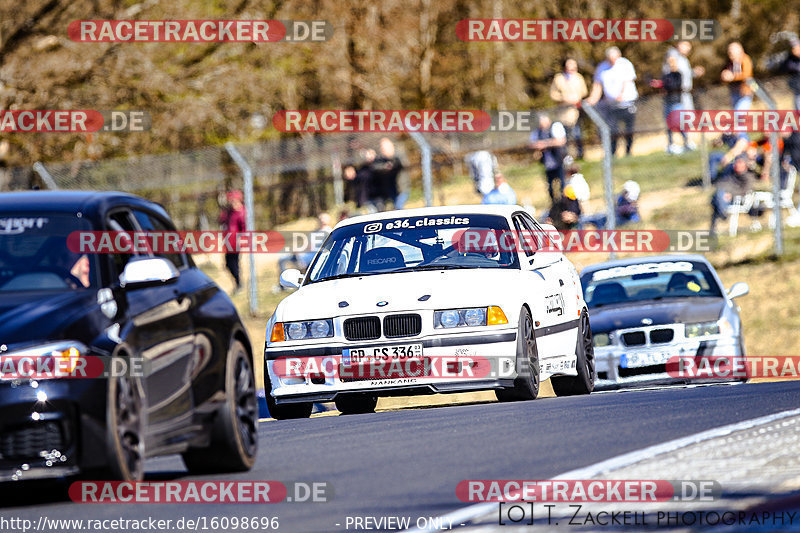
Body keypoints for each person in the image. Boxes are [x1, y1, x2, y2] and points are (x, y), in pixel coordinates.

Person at [586, 46, 638, 157]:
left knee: (629, 129)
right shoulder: (602, 67)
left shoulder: (625, 64)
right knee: (613, 130)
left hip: (627, 103)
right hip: (612, 106)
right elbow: (597, 85)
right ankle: (612, 153)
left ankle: (628, 152)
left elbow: (627, 81)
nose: (612, 61)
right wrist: (592, 99)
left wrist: (620, 95)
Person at [274, 213, 333, 292]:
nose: (321, 220)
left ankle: (299, 282)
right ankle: (284, 285)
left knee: (301, 261)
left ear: (328, 221)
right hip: (305, 254)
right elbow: (308, 246)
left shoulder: (329, 232)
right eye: (320, 218)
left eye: (323, 219)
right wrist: (299, 250)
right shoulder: (314, 232)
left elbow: (326, 248)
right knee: (282, 259)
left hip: (316, 255)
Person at [550, 58, 589, 159]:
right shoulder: (558, 78)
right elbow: (553, 94)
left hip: (576, 111)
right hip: (563, 113)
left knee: (578, 134)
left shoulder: (579, 78)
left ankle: (580, 155)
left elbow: (584, 92)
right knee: (565, 136)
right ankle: (566, 157)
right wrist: (563, 98)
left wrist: (576, 98)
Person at [710, 154, 757, 235]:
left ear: (745, 164)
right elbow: (721, 183)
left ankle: (723, 215)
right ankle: (716, 225)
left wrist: (732, 194)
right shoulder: (731, 173)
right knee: (717, 195)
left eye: (740, 162)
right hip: (726, 198)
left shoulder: (748, 176)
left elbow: (746, 190)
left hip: (739, 200)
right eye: (736, 162)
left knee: (718, 197)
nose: (737, 165)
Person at [529, 114, 567, 203]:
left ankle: (564, 204)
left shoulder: (555, 126)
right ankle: (554, 205)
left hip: (559, 161)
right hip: (547, 163)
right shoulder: (537, 132)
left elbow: (561, 141)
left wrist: (545, 144)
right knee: (550, 188)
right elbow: (532, 143)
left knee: (562, 185)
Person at [663, 41, 705, 112]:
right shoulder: (673, 53)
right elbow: (673, 69)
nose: (688, 49)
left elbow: (684, 74)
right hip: (676, 95)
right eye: (686, 46)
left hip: (685, 94)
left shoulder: (684, 59)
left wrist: (694, 72)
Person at [661, 55, 690, 154]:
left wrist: (667, 85)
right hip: (668, 102)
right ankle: (670, 144)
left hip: (677, 102)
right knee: (669, 125)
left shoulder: (678, 74)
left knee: (679, 124)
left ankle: (686, 142)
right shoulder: (666, 75)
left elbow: (675, 86)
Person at [219, 190, 246, 293]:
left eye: (234, 200)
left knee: (233, 263)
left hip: (236, 242)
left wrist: (242, 238)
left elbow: (244, 227)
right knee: (227, 264)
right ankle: (238, 283)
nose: (233, 203)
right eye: (231, 201)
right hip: (228, 241)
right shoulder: (229, 212)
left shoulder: (241, 212)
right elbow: (222, 221)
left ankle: (239, 284)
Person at [370, 138, 404, 211]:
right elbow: (374, 168)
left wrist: (391, 160)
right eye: (382, 148)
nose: (383, 150)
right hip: (385, 190)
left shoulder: (398, 156)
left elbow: (402, 165)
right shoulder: (380, 159)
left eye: (385, 148)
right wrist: (385, 167)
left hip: (400, 188)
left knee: (398, 209)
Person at [721, 42, 753, 112]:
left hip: (744, 92)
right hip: (734, 92)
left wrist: (733, 77)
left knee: (740, 113)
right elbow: (725, 74)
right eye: (729, 52)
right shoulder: (730, 62)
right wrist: (724, 76)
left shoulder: (745, 59)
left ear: (740, 50)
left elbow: (746, 74)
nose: (730, 54)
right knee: (737, 115)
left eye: (732, 51)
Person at [779, 38, 800, 111]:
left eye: (795, 47)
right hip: (797, 88)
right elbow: (782, 69)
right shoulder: (790, 58)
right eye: (792, 48)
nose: (793, 50)